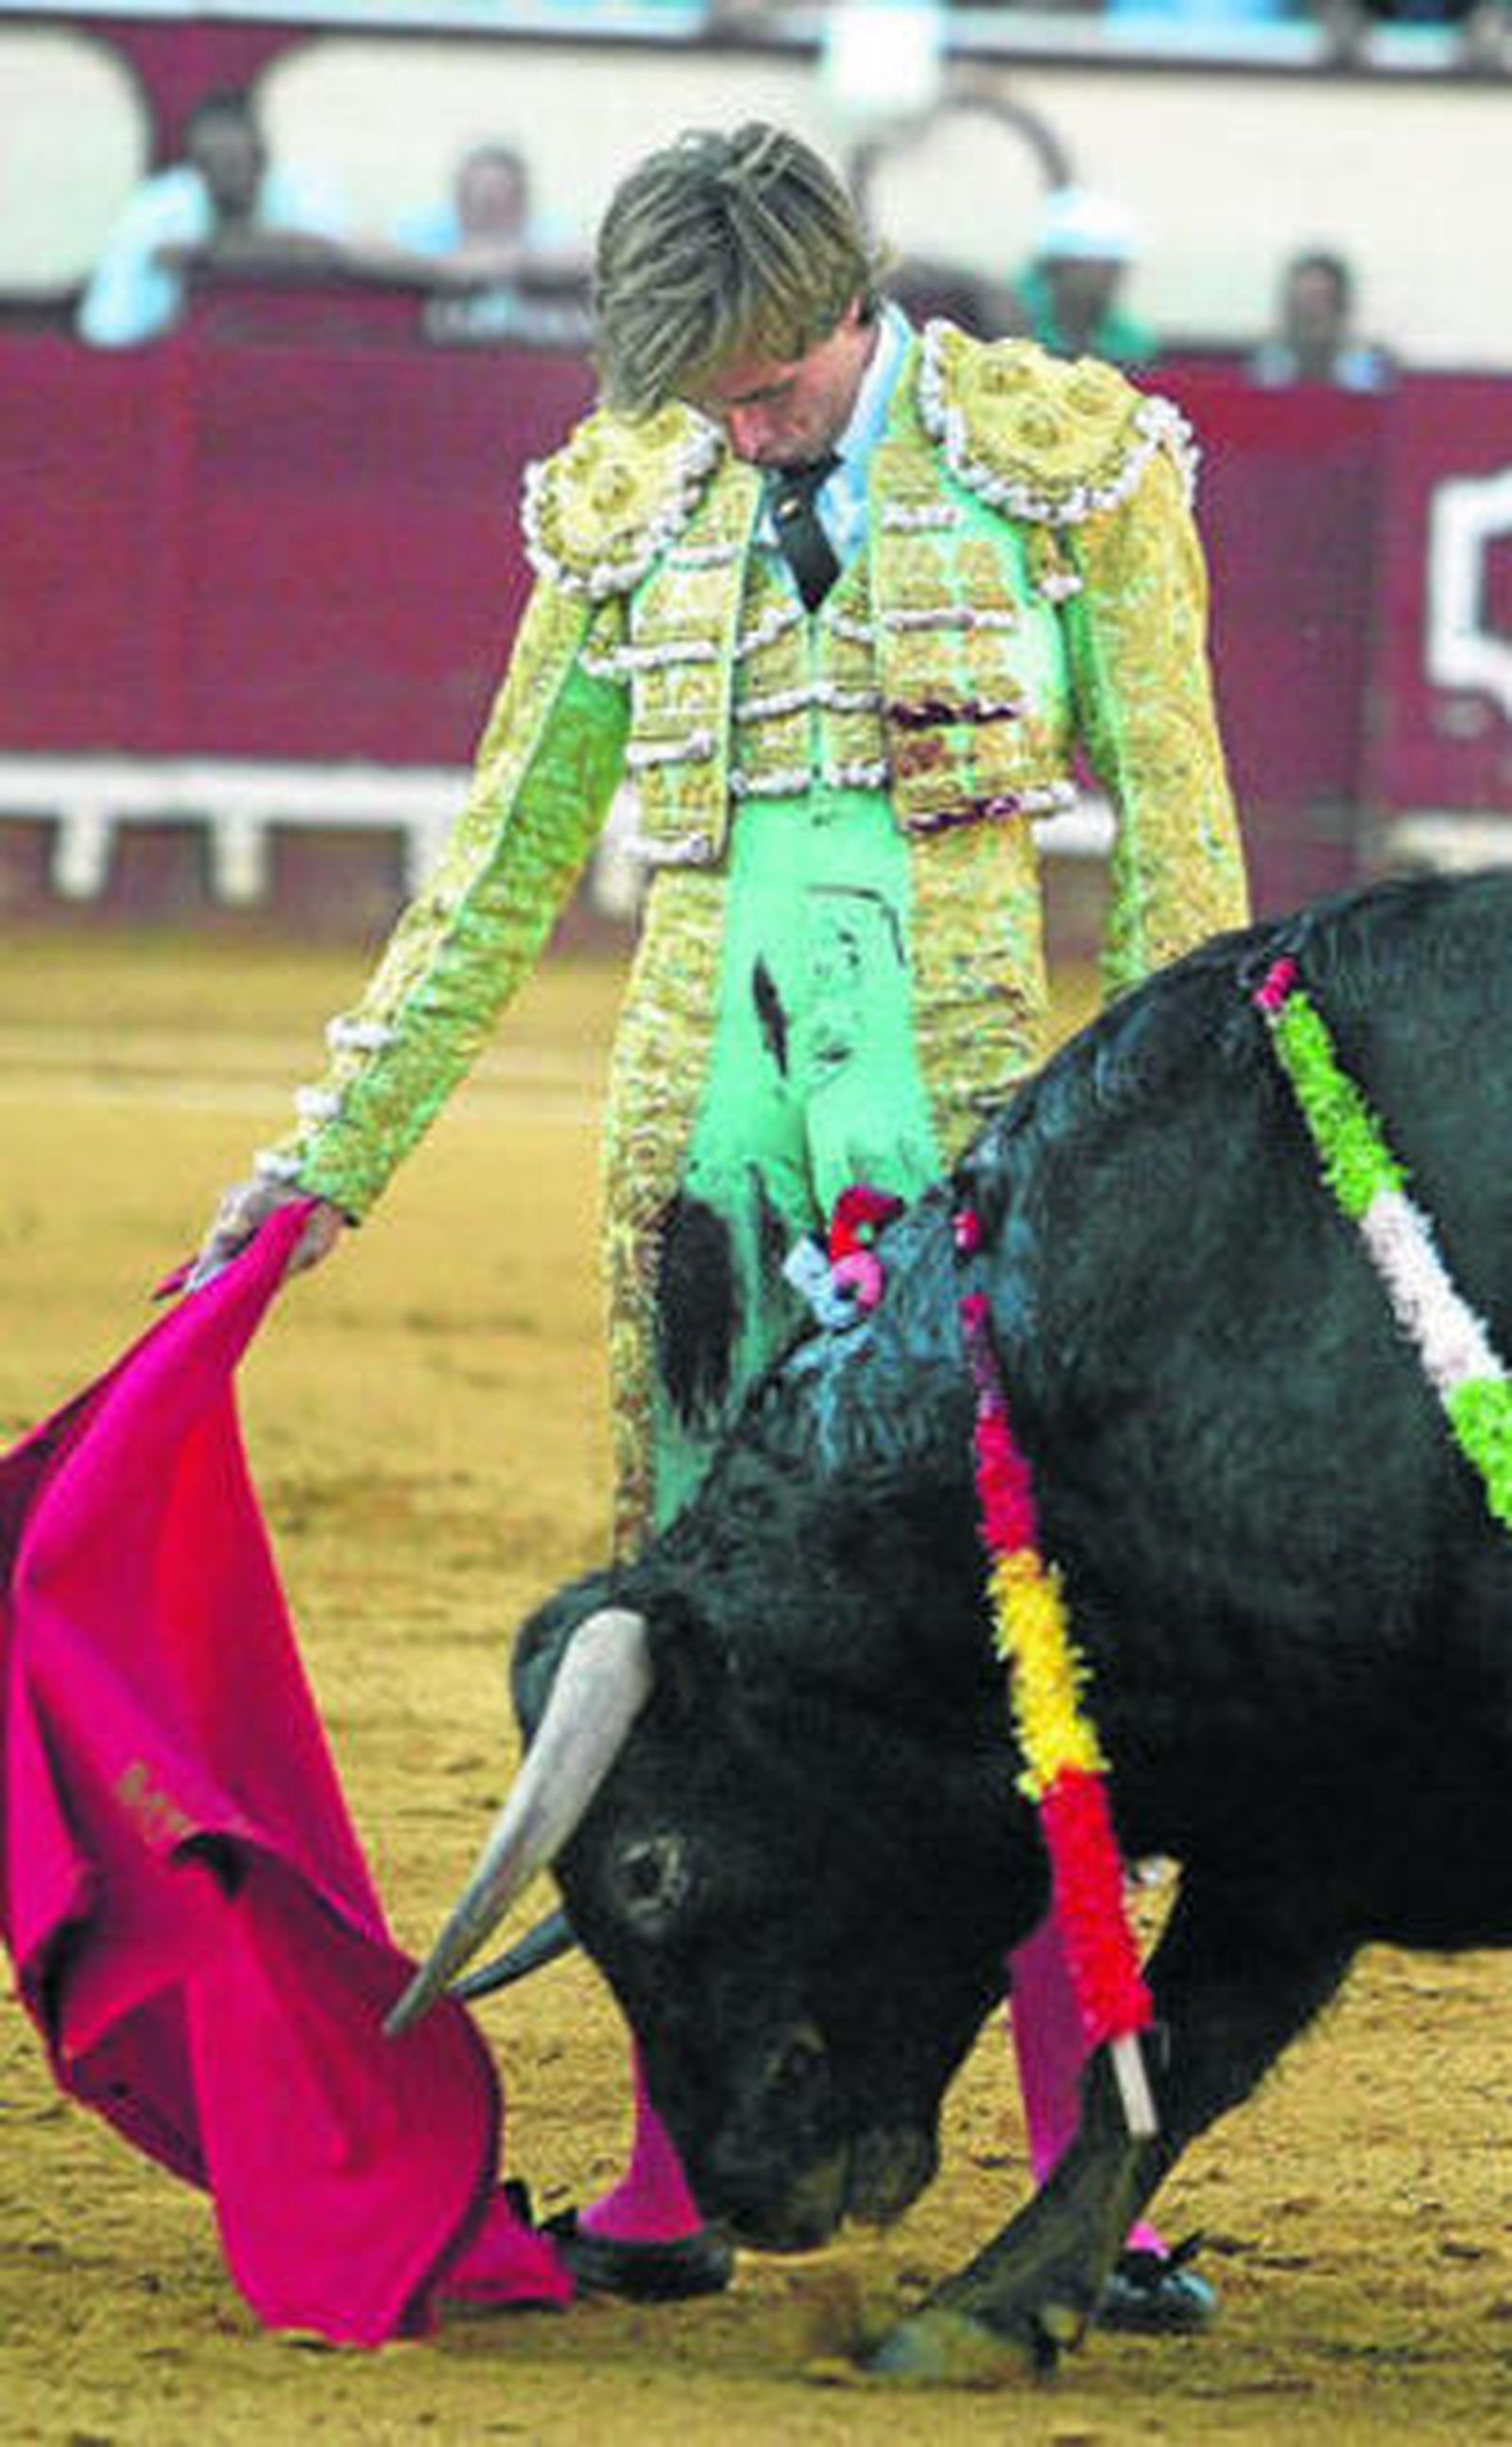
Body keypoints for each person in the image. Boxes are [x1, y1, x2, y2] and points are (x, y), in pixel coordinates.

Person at [194, 121, 1248, 2329]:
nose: (729, 426)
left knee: (1025, 1650)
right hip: (695, 1162)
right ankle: (671, 2168)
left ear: (849, 303)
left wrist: (1184, 1190)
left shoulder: (1064, 464)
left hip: (972, 1141)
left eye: (758, 385)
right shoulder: (630, 499)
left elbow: (1175, 854)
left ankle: (1095, 2183)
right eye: (696, 394)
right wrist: (322, 1164)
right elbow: (493, 869)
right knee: (693, 1669)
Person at [76, 87, 349, 350]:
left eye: (234, 160)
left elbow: (324, 252)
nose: (223, 172)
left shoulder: (305, 189)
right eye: (208, 161)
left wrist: (209, 254)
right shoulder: (160, 205)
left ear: (262, 151)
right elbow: (107, 328)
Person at [384, 141, 591, 349]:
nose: (481, 207)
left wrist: (516, 262)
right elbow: (365, 248)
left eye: (494, 198)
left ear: (520, 200)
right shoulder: (435, 229)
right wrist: (444, 267)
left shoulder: (544, 233)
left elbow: (595, 259)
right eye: (472, 195)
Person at [1014, 182, 1158, 365]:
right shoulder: (1007, 321)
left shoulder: (1129, 340)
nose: (1112, 278)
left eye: (1118, 267)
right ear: (1058, 266)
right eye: (1103, 266)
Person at [1247, 249, 1396, 393]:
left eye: (1323, 299)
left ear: (1340, 305)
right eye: (1306, 300)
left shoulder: (1367, 363)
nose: (1313, 314)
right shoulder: (1265, 359)